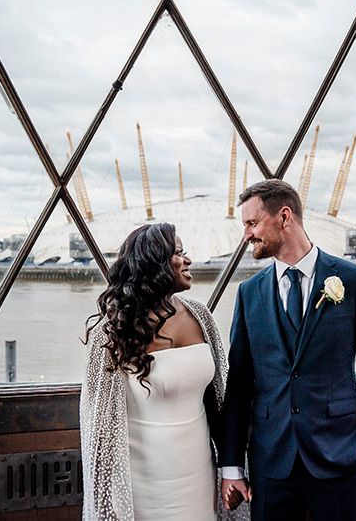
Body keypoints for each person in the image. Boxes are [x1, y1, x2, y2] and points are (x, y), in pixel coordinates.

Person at [220, 179, 356, 521]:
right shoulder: (249, 293)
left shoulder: (353, 280)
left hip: (341, 458)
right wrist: (231, 464)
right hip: (271, 463)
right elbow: (239, 384)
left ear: (284, 217)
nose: (247, 235)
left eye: (252, 223)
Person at [80, 222, 247, 520]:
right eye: (179, 253)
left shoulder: (200, 316)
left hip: (198, 473)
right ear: (155, 264)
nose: (188, 260)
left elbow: (218, 397)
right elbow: (99, 425)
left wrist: (229, 467)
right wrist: (108, 496)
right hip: (141, 482)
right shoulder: (112, 331)